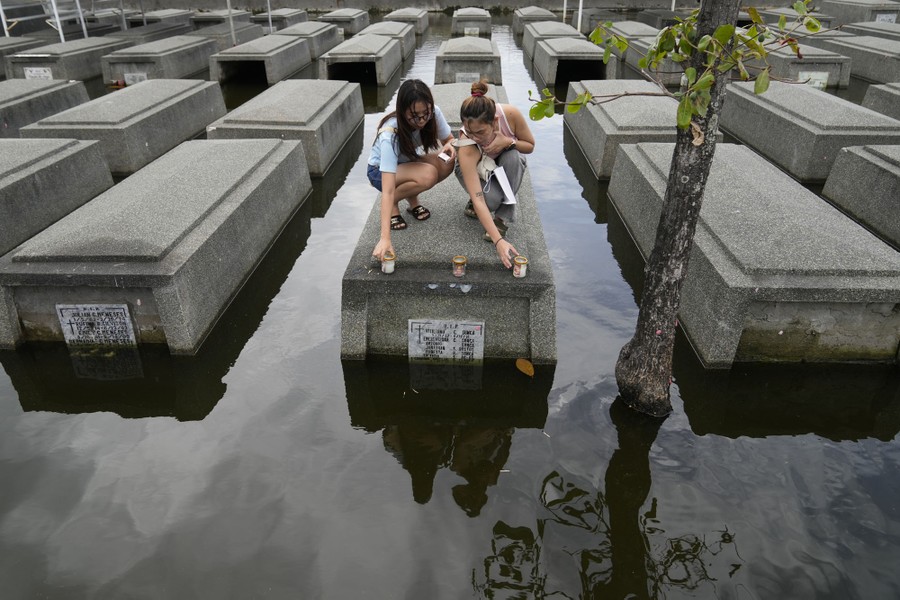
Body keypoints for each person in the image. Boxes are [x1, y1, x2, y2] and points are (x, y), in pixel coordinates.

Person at [368, 79, 456, 261]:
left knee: (446, 162)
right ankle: (394, 206)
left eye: (426, 113)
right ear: (402, 111)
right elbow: (388, 188)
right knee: (428, 175)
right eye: (415, 116)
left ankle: (412, 200)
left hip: (409, 161)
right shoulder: (389, 134)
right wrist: (385, 239)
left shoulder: (433, 113)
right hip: (379, 172)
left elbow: (449, 139)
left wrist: (450, 146)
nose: (422, 120)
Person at [455, 80, 535, 268]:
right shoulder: (467, 145)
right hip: (476, 170)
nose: (475, 137)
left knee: (514, 157)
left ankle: (501, 218)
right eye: (469, 131)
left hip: (503, 161)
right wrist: (499, 242)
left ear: (495, 121)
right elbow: (479, 200)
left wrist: (508, 142)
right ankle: (485, 202)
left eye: (480, 132)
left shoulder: (510, 115)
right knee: (488, 200)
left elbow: (530, 146)